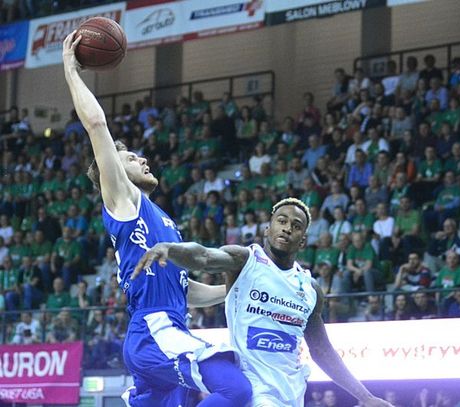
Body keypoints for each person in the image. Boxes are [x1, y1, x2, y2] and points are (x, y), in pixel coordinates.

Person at [62, 32, 251, 407]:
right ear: (114, 171)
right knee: (237, 389)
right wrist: (71, 69)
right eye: (131, 159)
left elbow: (185, 289)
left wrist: (234, 289)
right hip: (154, 330)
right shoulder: (123, 199)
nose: (143, 159)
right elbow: (97, 125)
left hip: (166, 329)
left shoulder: (161, 219)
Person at [133, 198, 392, 407]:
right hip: (255, 389)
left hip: (292, 392)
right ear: (268, 229)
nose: (287, 228)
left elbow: (322, 351)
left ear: (303, 240)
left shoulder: (310, 288)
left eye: (296, 225)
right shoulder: (245, 261)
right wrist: (171, 249)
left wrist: (366, 397)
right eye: (282, 221)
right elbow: (203, 257)